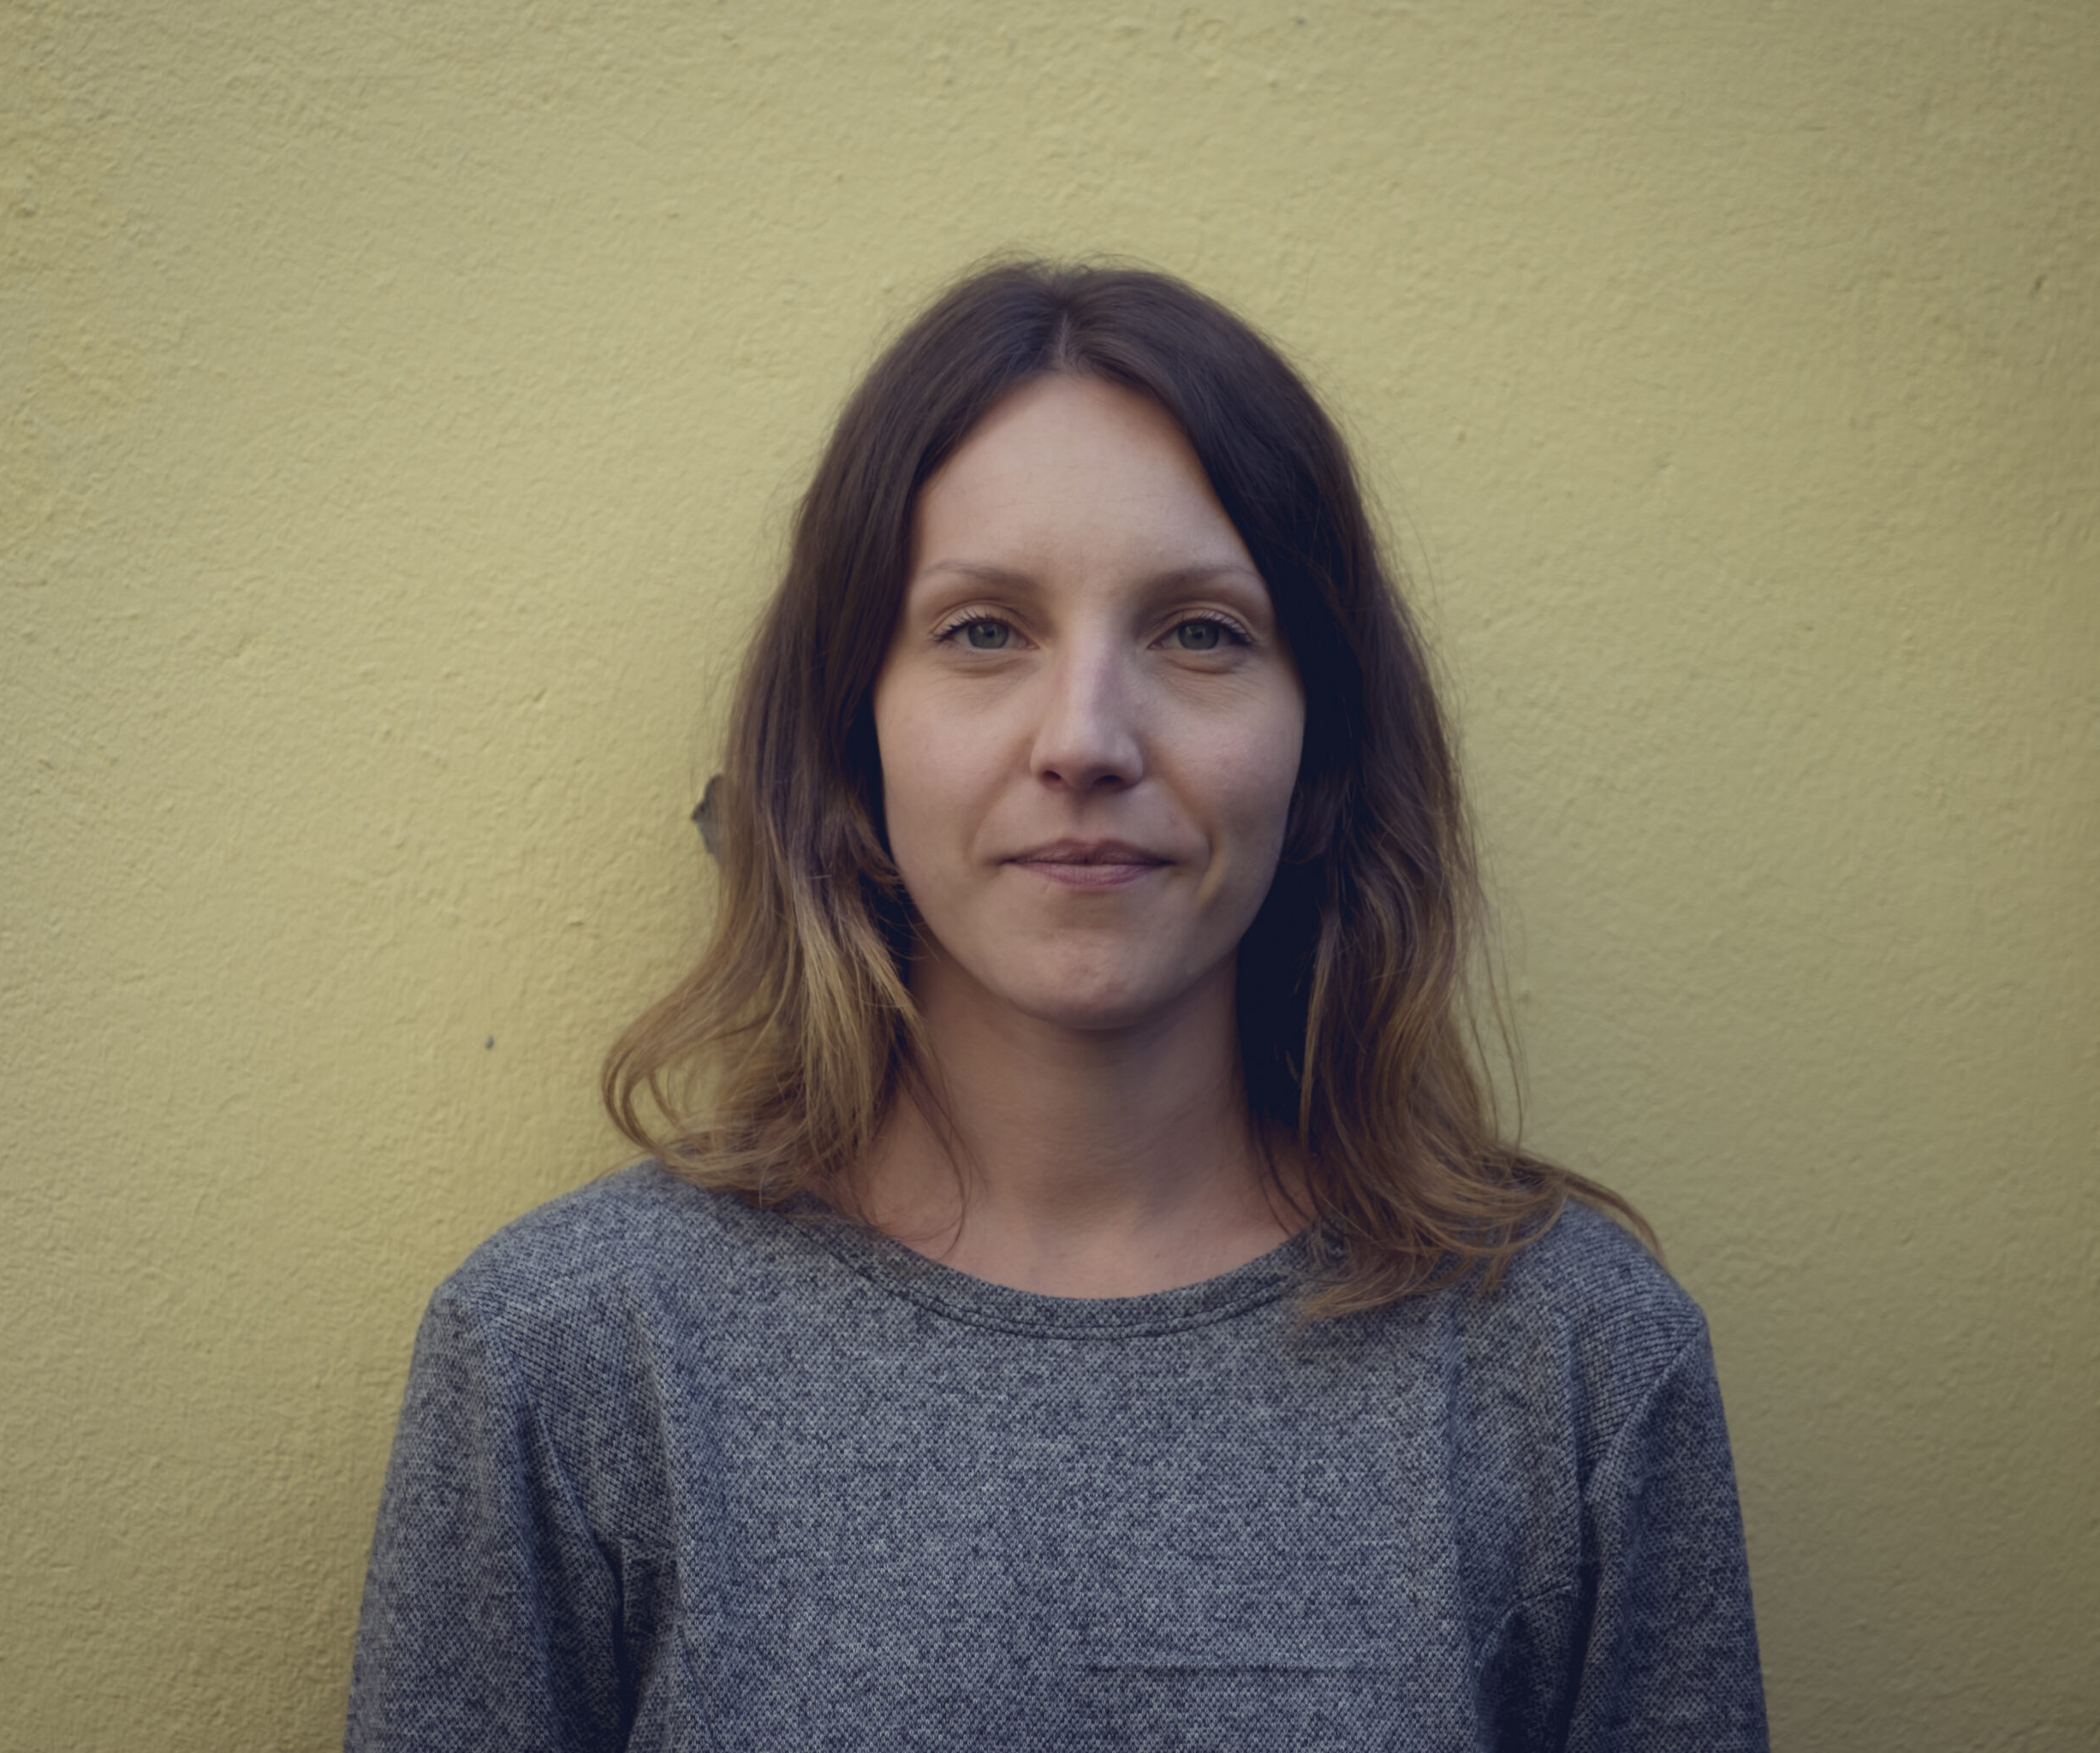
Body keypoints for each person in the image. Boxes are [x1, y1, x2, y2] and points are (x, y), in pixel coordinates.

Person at [344, 262, 1768, 1751]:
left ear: (1324, 748)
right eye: (983, 631)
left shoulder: (1576, 1365)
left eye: (1200, 631)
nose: (1086, 739)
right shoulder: (570, 1359)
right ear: (850, 736)